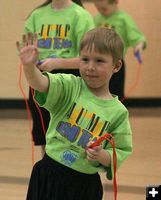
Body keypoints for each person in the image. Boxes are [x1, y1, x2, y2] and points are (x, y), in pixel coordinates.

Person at [16, 27, 133, 200]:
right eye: (85, 59)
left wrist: (103, 156)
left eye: (99, 61)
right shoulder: (70, 86)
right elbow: (40, 83)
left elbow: (121, 150)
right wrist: (29, 67)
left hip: (84, 186)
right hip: (49, 175)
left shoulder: (119, 112)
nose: (90, 67)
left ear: (116, 65)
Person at [24, 0, 95, 156]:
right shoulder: (36, 16)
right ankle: (48, 173)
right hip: (40, 77)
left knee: (70, 135)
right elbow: (26, 52)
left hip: (70, 79)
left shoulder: (81, 16)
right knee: (44, 135)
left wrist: (57, 62)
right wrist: (30, 61)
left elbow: (89, 58)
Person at [92, 0, 146, 100]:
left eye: (104, 9)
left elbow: (137, 36)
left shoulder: (123, 18)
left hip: (115, 64)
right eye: (98, 9)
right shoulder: (97, 19)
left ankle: (117, 114)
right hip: (98, 63)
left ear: (115, 2)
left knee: (115, 93)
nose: (102, 12)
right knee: (97, 93)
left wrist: (139, 45)